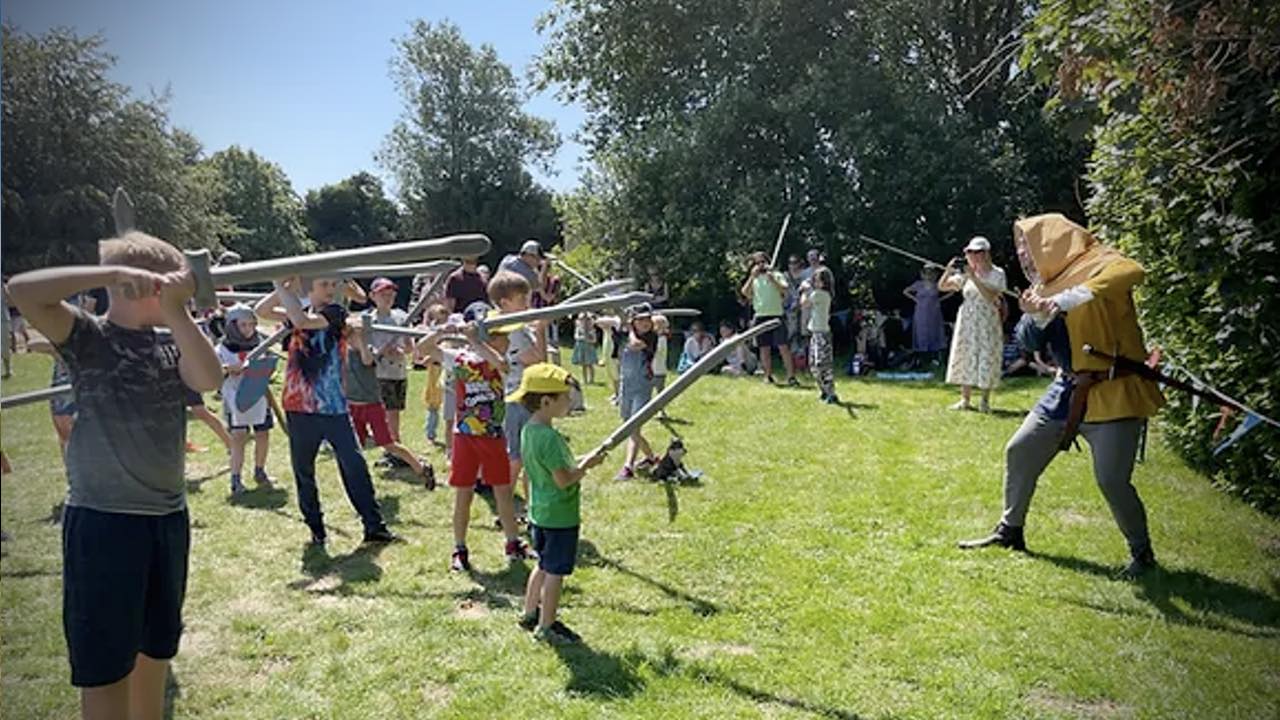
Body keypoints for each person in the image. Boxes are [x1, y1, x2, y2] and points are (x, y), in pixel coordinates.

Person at [7, 230, 223, 720]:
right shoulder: (87, 335)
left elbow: (209, 379)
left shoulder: (174, 339)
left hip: (166, 521)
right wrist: (111, 273)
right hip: (104, 523)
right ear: (139, 286)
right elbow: (21, 289)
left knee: (155, 652)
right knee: (105, 668)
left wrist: (176, 310)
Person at [960, 213, 1165, 576]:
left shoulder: (1101, 261)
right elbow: (1026, 341)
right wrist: (1037, 316)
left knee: (1112, 480)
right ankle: (1010, 531)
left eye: (1027, 245)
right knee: (1020, 450)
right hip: (1066, 390)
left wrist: (1072, 297)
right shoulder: (1042, 286)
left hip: (1114, 391)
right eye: (1020, 247)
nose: (1023, 254)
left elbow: (1133, 271)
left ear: (1050, 242)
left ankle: (1142, 554)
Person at [255, 277, 396, 546]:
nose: (331, 290)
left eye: (334, 285)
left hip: (333, 407)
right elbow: (261, 311)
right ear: (309, 289)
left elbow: (303, 322)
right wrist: (280, 284)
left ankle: (374, 526)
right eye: (324, 285)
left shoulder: (335, 313)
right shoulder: (298, 312)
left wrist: (281, 286)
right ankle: (316, 529)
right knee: (304, 470)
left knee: (354, 464)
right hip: (299, 406)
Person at [417, 315, 535, 571]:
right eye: (503, 338)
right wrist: (440, 331)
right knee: (464, 494)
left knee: (503, 492)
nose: (507, 343)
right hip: (465, 437)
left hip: (492, 436)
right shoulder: (458, 358)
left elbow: (500, 362)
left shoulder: (501, 362)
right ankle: (459, 548)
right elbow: (422, 349)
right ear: (491, 338)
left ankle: (512, 543)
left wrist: (472, 338)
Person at [513, 363, 608, 644]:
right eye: (565, 397)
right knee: (555, 573)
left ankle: (530, 612)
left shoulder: (530, 431)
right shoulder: (551, 438)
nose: (570, 401)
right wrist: (587, 466)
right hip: (560, 515)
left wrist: (582, 459)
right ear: (546, 401)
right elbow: (564, 480)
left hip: (540, 513)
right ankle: (547, 626)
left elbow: (548, 469)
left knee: (542, 564)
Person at [345, 321, 436, 488]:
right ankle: (357, 481)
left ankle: (421, 467)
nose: (351, 340)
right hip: (352, 405)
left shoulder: (368, 350)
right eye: (349, 336)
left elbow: (367, 361)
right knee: (354, 445)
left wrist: (362, 338)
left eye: (354, 336)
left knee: (388, 443)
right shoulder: (342, 351)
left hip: (371, 405)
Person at [490, 270, 548, 511]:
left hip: (521, 397)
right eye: (522, 299)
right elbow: (538, 360)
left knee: (529, 455)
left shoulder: (513, 326)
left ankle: (531, 504)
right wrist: (541, 331)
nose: (527, 304)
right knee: (518, 457)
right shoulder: (512, 330)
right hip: (518, 399)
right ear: (505, 303)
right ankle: (506, 506)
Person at [939, 236, 1006, 412]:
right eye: (970, 252)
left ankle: (984, 400)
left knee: (986, 355)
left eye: (978, 252)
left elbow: (991, 296)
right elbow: (943, 286)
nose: (974, 255)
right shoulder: (965, 275)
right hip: (967, 318)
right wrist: (948, 270)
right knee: (966, 354)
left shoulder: (997, 273)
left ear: (986, 254)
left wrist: (974, 277)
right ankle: (965, 399)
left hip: (987, 319)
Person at [215, 304, 275, 495]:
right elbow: (213, 373)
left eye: (251, 324)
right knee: (239, 437)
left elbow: (267, 365)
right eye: (243, 325)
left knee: (263, 434)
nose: (248, 329)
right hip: (234, 396)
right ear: (232, 326)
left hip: (257, 394)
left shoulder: (260, 344)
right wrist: (228, 369)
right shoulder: (221, 349)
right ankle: (236, 478)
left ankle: (259, 470)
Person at [365, 277, 412, 454]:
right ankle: (388, 444)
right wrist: (380, 351)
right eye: (383, 294)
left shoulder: (401, 317)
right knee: (379, 412)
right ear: (372, 296)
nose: (387, 298)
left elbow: (409, 346)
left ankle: (394, 446)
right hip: (378, 373)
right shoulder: (368, 319)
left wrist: (402, 350)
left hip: (397, 372)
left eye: (391, 294)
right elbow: (365, 346)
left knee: (394, 412)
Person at [614, 305, 659, 480]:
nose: (645, 323)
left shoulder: (651, 337)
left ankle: (628, 467)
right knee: (628, 426)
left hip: (643, 384)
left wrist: (630, 329)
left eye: (648, 319)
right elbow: (601, 322)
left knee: (633, 425)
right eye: (640, 319)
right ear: (634, 321)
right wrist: (619, 320)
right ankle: (650, 457)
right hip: (626, 385)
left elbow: (634, 345)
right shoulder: (623, 332)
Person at [739, 251, 797, 385]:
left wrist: (773, 280)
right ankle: (768, 376)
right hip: (760, 316)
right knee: (764, 348)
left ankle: (791, 377)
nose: (760, 265)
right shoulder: (754, 279)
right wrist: (752, 277)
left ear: (768, 262)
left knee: (783, 347)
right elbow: (745, 293)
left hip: (776, 315)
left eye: (762, 262)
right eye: (757, 263)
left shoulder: (776, 275)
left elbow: (784, 289)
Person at [803, 267, 838, 403]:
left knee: (823, 365)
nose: (814, 283)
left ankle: (831, 393)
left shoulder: (820, 294)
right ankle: (824, 390)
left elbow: (804, 304)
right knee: (813, 365)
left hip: (822, 334)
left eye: (817, 281)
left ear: (824, 283)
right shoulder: (817, 293)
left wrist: (805, 290)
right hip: (816, 334)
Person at [903, 267, 950, 366]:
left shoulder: (937, 284)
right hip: (921, 310)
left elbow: (951, 291)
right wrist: (916, 299)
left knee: (934, 330)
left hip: (934, 311)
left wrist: (940, 300)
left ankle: (935, 356)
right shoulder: (918, 284)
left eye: (930, 273)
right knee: (921, 330)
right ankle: (922, 356)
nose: (928, 275)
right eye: (926, 273)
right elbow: (905, 291)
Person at [421, 304, 450, 447]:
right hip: (434, 372)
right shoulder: (432, 334)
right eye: (437, 321)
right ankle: (430, 433)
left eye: (443, 320)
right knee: (433, 405)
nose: (441, 324)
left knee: (448, 406)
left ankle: (449, 434)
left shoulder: (450, 334)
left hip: (445, 370)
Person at [571, 312, 598, 386]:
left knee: (590, 364)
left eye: (586, 320)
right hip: (581, 347)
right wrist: (582, 337)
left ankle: (591, 379)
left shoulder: (591, 330)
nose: (584, 322)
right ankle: (584, 379)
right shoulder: (579, 329)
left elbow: (594, 340)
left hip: (589, 348)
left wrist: (589, 339)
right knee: (583, 365)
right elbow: (576, 336)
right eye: (582, 320)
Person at [652, 314, 671, 393]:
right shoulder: (658, 338)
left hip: (658, 371)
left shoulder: (662, 339)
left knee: (660, 392)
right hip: (653, 370)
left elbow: (656, 351)